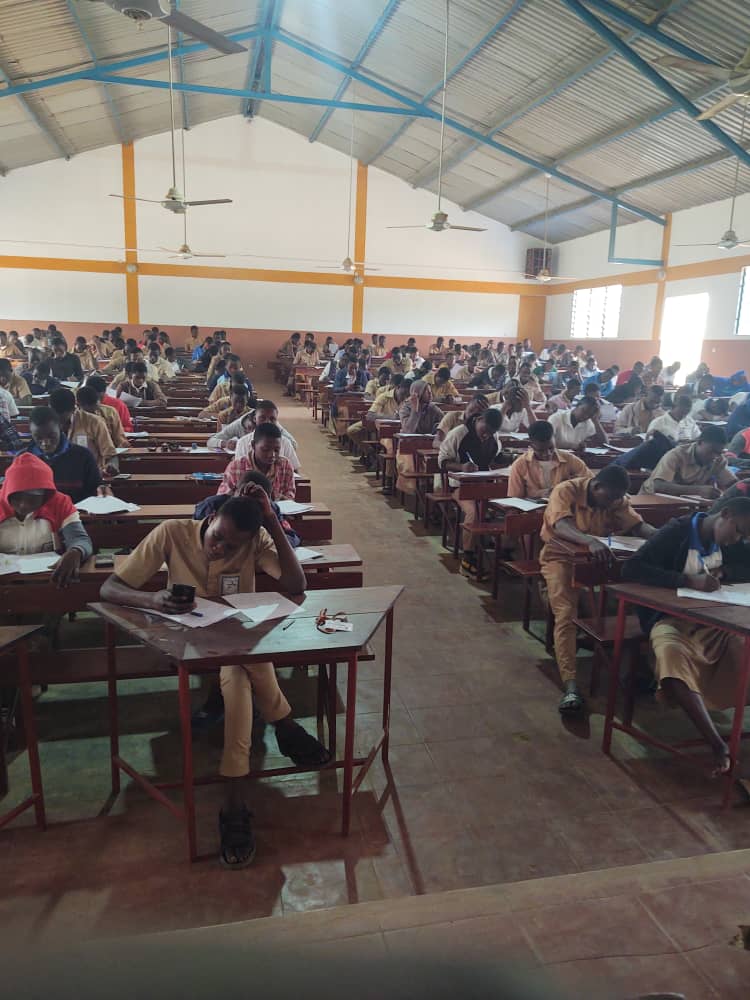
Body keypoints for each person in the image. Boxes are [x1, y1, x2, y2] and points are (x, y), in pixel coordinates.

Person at [100, 492, 330, 868]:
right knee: (249, 659)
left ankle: (234, 803)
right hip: (186, 643)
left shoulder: (255, 540)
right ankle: (284, 725)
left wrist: (271, 520)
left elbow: (294, 582)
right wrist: (152, 600)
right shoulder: (172, 532)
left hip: (236, 644)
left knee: (239, 674)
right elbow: (109, 588)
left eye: (231, 546)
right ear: (211, 518)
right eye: (217, 537)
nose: (219, 548)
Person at [621, 497, 750, 774]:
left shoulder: (732, 542)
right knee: (672, 657)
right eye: (738, 531)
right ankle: (717, 744)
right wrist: (687, 580)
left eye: (744, 537)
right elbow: (632, 568)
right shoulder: (677, 532)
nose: (737, 540)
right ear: (725, 514)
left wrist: (727, 570)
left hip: (714, 620)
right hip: (669, 619)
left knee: (742, 649)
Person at [541, 465, 655, 714]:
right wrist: (588, 541)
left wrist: (658, 538)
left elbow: (637, 525)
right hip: (561, 558)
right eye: (610, 497)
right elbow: (560, 525)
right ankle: (571, 685)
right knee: (566, 614)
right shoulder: (566, 490)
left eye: (618, 498)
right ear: (596, 486)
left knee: (635, 603)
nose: (613, 503)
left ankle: (637, 669)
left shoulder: (616, 498)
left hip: (600, 560)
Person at [0, 453, 93, 588]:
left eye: (32, 499)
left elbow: (80, 539)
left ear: (46, 495)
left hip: (48, 581)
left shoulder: (60, 503)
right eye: (16, 497)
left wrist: (76, 552)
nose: (23, 505)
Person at [438, 407, 505, 577]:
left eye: (491, 433)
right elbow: (442, 462)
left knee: (509, 509)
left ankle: (504, 553)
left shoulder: (493, 436)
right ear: (479, 419)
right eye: (485, 431)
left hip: (485, 485)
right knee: (473, 512)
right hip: (460, 486)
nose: (486, 436)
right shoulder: (459, 433)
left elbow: (496, 457)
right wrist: (461, 466)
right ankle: (468, 558)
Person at [26, 406, 105, 502]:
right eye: (38, 437)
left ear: (60, 427)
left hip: (76, 510)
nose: (45, 443)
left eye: (52, 436)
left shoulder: (83, 456)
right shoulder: (23, 460)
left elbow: (96, 493)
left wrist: (103, 492)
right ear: (31, 432)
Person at [640, 426, 737, 498]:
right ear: (699, 442)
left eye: (719, 453)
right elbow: (659, 485)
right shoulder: (676, 455)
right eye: (711, 451)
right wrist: (698, 490)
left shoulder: (719, 460)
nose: (714, 456)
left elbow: (732, 484)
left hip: (685, 502)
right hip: (651, 500)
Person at [507, 420, 588, 500]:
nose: (547, 454)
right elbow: (515, 499)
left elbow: (590, 482)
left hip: (565, 505)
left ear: (554, 440)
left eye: (551, 448)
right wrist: (540, 494)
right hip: (533, 508)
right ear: (531, 445)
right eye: (541, 450)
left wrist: (572, 485)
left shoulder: (570, 459)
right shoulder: (520, 465)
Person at [49, 387, 118, 475]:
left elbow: (110, 455)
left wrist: (111, 466)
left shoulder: (94, 422)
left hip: (90, 476)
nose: (60, 423)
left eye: (63, 419)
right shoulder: (46, 424)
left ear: (74, 409)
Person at [218, 423, 295, 501]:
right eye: (265, 449)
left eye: (276, 450)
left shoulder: (285, 466)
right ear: (253, 445)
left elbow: (290, 498)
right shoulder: (236, 467)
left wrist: (279, 498)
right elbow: (222, 499)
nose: (272, 455)